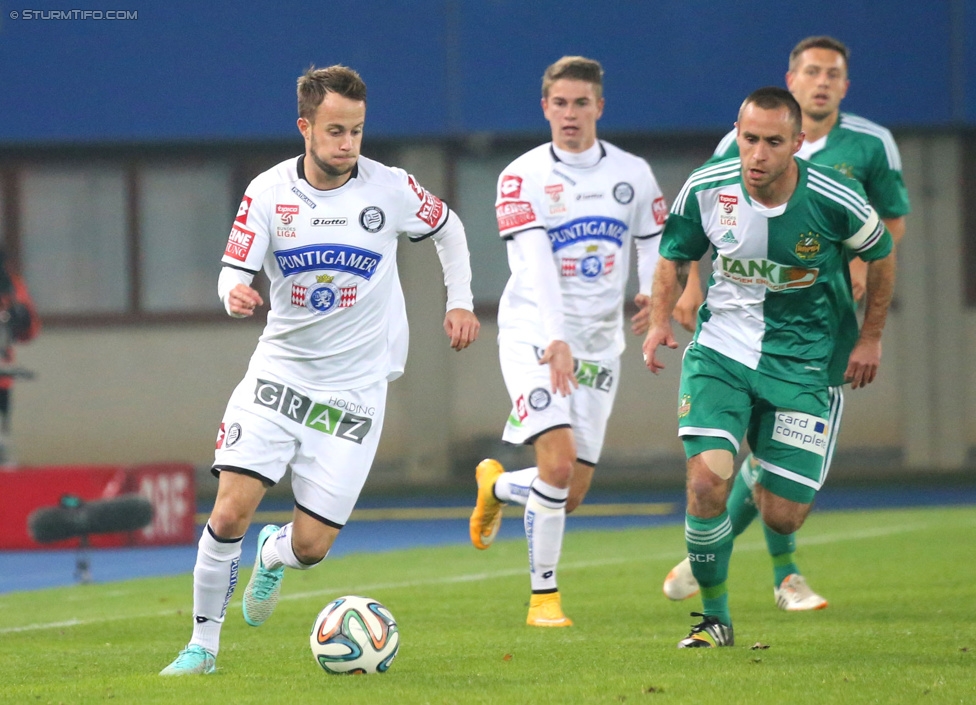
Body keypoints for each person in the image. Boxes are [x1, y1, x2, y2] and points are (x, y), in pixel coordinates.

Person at [160, 65, 480, 675]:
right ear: (305, 126)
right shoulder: (269, 191)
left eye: (356, 131)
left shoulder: (391, 188)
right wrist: (233, 292)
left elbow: (450, 228)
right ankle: (203, 645)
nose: (347, 144)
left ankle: (274, 554)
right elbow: (233, 269)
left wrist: (459, 300)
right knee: (227, 510)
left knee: (312, 546)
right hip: (279, 377)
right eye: (335, 130)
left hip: (354, 396)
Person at [663, 36, 911, 612]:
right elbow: (699, 219)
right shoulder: (739, 143)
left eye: (833, 74)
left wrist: (856, 271)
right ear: (791, 79)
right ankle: (785, 576)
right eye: (811, 71)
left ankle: (748, 528)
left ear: (844, 87)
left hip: (816, 337)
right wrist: (688, 288)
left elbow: (889, 228)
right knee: (711, 474)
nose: (821, 81)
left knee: (782, 498)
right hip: (736, 334)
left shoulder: (871, 145)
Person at [468, 56, 667, 627]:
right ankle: (544, 600)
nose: (571, 114)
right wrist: (555, 340)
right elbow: (537, 266)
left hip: (600, 344)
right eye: (560, 103)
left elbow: (653, 244)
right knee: (555, 468)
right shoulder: (521, 176)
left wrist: (654, 301)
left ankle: (498, 486)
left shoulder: (633, 174)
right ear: (545, 108)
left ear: (599, 107)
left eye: (582, 103)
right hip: (534, 332)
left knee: (570, 491)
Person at [0, 248, 40, 464]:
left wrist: (22, 319)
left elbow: (30, 330)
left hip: (2, 382)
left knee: (2, 445)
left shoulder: (11, 286)